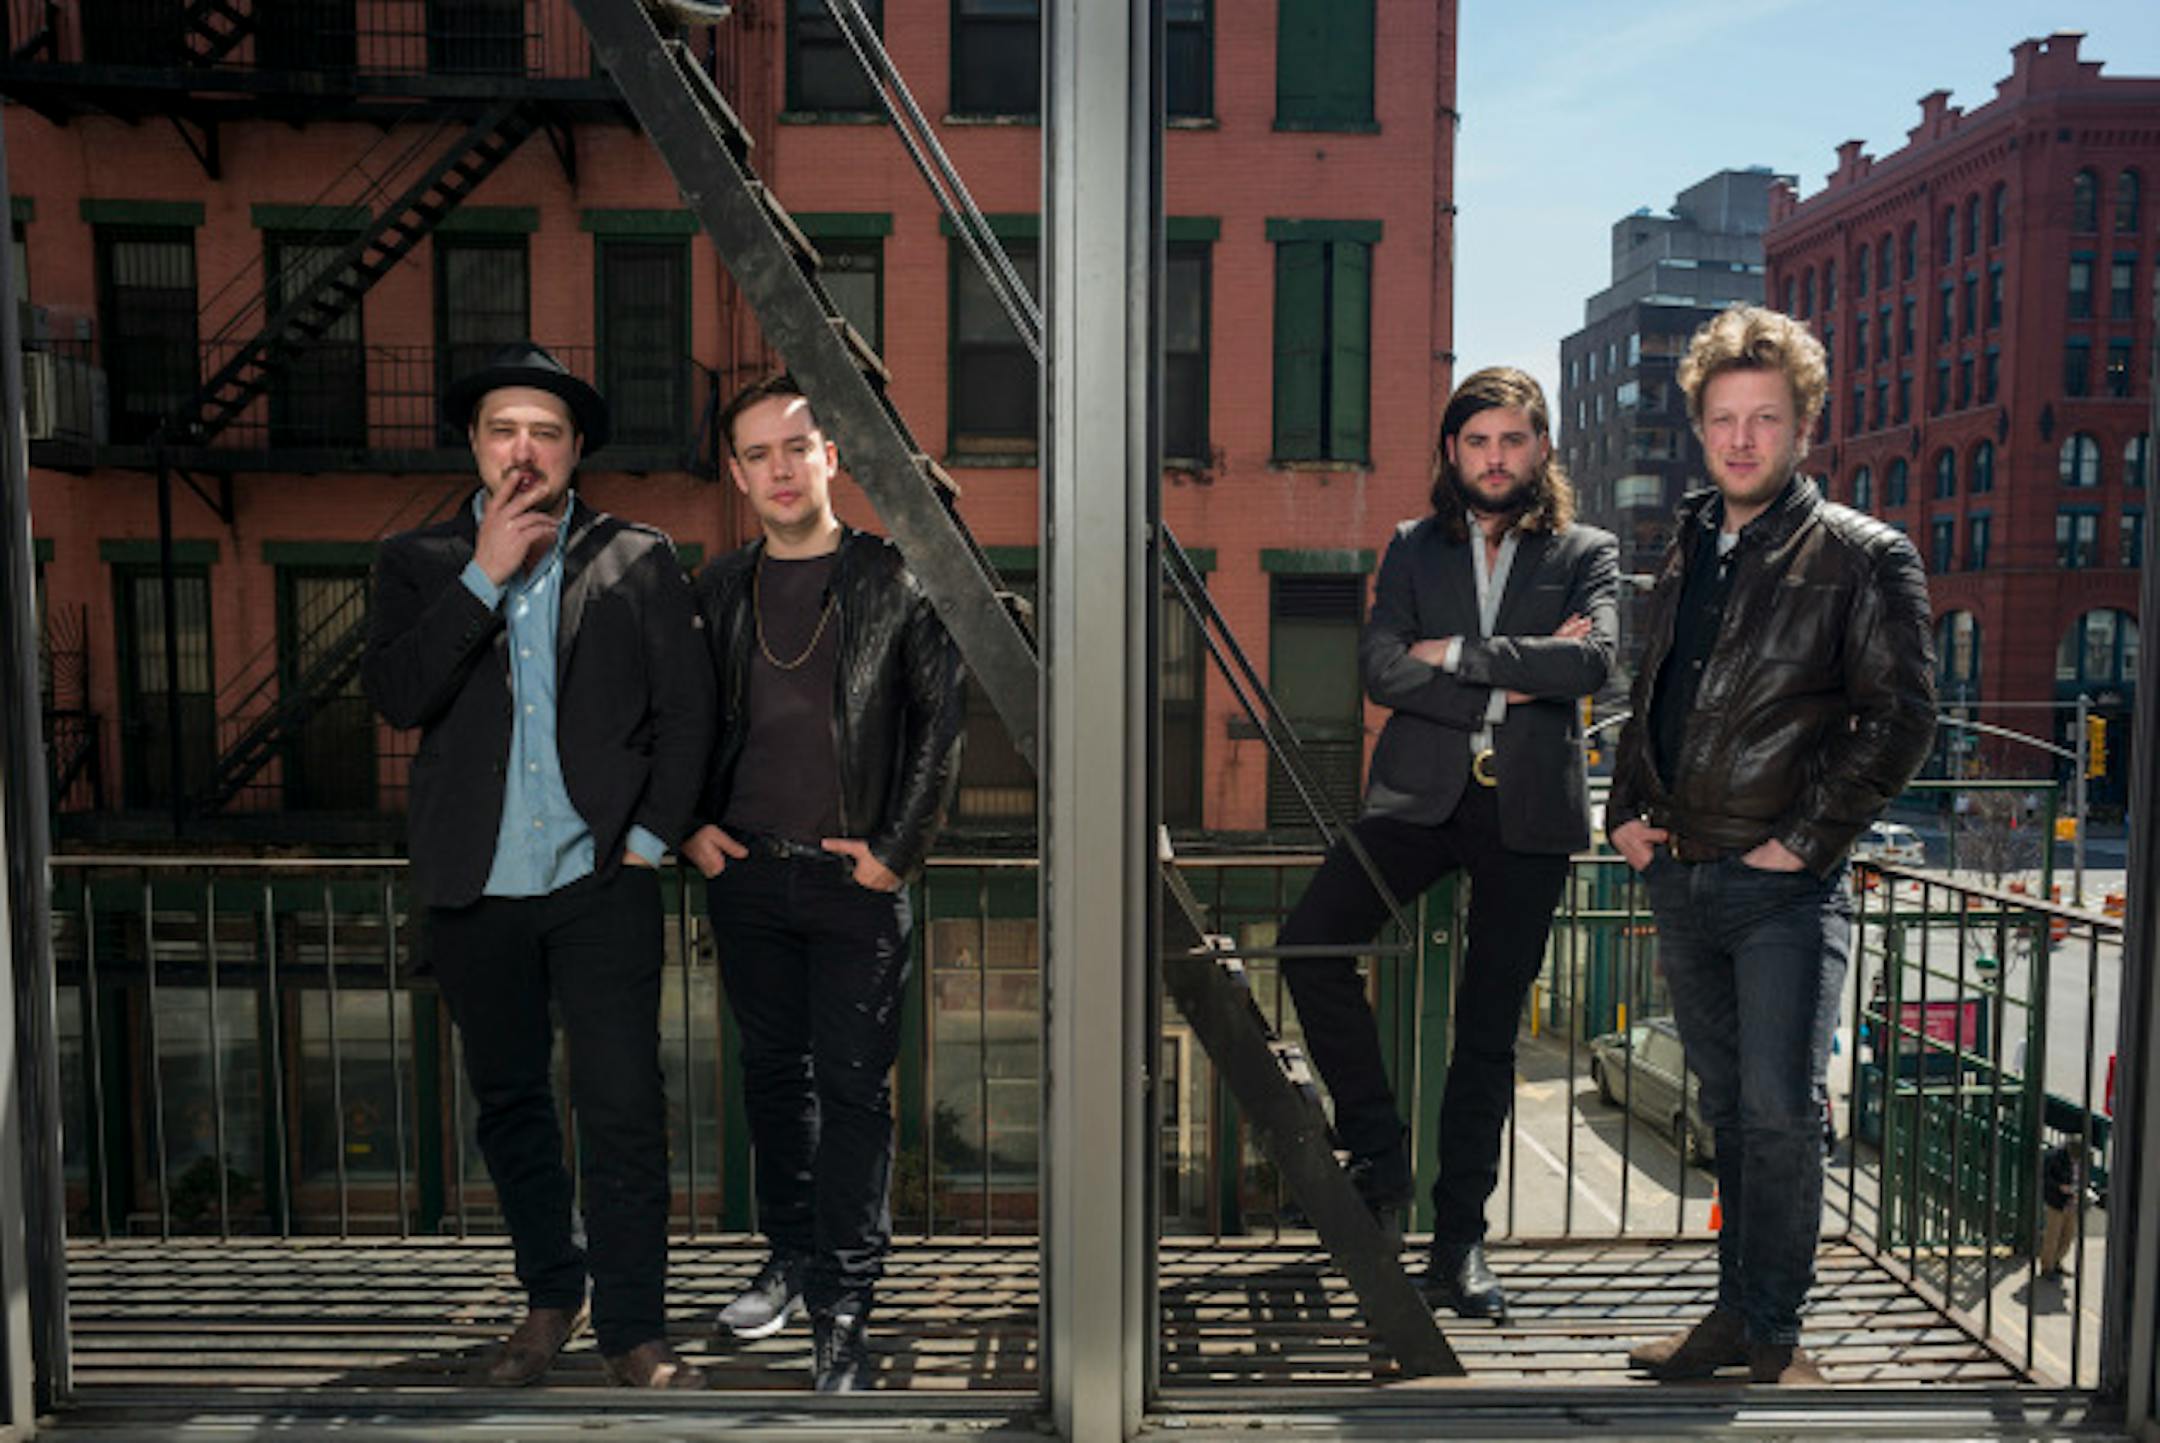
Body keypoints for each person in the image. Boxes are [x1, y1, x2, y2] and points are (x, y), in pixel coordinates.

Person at [362, 342, 715, 1389]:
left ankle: (635, 1332)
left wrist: (651, 842)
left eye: (547, 432)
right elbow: (397, 697)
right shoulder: (417, 564)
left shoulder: (635, 556)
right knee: (511, 1105)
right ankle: (550, 1301)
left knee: (622, 1107)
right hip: (475, 890)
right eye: (504, 429)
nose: (524, 450)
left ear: (574, 453)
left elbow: (688, 713)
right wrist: (486, 574)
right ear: (474, 443)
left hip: (599, 880)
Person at [1611, 306, 1936, 1386]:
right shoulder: (1690, 543)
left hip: (1779, 892)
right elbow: (1655, 689)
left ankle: (1779, 1340)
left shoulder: (1861, 557)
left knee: (1782, 1116)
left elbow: (1902, 719)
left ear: (1804, 427)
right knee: (1729, 1118)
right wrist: (1625, 811)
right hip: (1684, 875)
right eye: (1722, 419)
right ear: (1701, 428)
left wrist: (1802, 845)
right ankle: (1735, 1323)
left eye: (1765, 418)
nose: (1741, 439)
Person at [1276, 366, 1618, 1323]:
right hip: (1418, 798)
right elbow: (1382, 667)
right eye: (1478, 441)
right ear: (1452, 452)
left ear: (1541, 448)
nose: (1496, 458)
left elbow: (1594, 660)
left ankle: (1460, 1243)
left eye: (1513, 440)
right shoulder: (1413, 547)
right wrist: (1520, 678)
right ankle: (1380, 1154)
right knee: (1310, 943)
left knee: (1485, 1034)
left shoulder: (1586, 550)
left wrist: (1460, 654)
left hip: (1531, 818)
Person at [683, 374, 966, 1392]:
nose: (779, 469)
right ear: (737, 473)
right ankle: (792, 1260)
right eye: (756, 454)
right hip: (748, 877)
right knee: (774, 1084)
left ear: (833, 456)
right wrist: (692, 832)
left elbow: (943, 726)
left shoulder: (897, 577)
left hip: (856, 887)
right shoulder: (717, 589)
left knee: (853, 1097)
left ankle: (844, 1308)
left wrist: (896, 849)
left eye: (795, 447)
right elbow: (672, 724)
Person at [2039, 1137, 2087, 1279]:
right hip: (2056, 1200)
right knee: (2052, 1235)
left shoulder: (2082, 1158)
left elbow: (2082, 1176)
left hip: (2072, 1200)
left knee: (2068, 1235)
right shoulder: (2055, 1157)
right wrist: (2060, 1187)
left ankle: (2057, 1261)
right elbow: (2045, 1177)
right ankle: (2047, 1267)